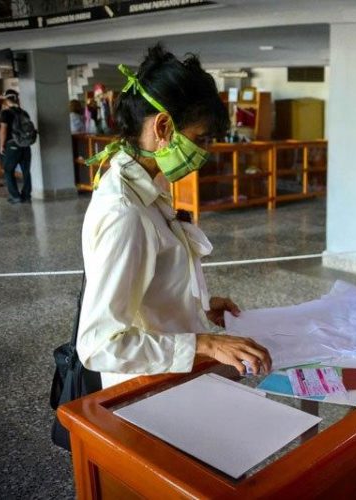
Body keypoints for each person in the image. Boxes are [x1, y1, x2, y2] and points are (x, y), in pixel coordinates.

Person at [76, 44, 271, 388]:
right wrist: (205, 343)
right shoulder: (125, 212)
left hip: (174, 373)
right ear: (163, 126)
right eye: (200, 138)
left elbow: (149, 282)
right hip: (144, 388)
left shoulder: (146, 182)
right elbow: (99, 345)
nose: (205, 152)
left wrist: (198, 305)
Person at [0, 89, 32, 203]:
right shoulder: (24, 113)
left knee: (8, 170)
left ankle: (15, 196)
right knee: (26, 171)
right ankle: (26, 195)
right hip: (25, 145)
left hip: (12, 145)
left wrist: (1, 145)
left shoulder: (5, 113)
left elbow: (3, 130)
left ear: (7, 100)